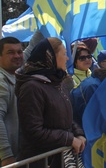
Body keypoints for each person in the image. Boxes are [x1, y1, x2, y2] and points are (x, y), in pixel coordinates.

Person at [15, 38, 86, 168]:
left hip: (60, 160)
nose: (68, 59)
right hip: (41, 162)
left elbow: (66, 119)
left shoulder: (58, 83)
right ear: (51, 57)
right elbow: (34, 131)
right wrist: (69, 139)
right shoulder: (31, 88)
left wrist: (78, 134)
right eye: (64, 54)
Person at [0, 37, 23, 166]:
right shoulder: (1, 81)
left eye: (19, 52)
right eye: (10, 52)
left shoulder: (13, 74)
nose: (17, 56)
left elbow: (31, 48)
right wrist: (6, 155)